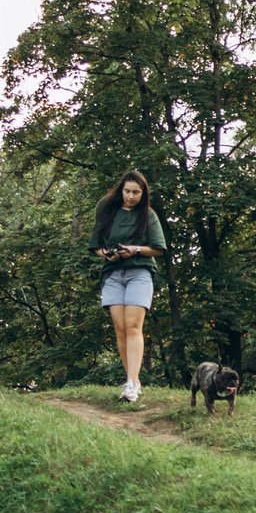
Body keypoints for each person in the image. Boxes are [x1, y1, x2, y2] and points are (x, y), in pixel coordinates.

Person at [90, 169, 167, 401]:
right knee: (120, 328)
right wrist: (107, 254)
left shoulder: (148, 215)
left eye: (136, 192)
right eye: (127, 191)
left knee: (133, 326)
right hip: (112, 274)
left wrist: (134, 249)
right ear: (120, 191)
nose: (131, 196)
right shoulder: (109, 213)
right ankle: (131, 379)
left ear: (143, 194)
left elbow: (159, 248)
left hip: (139, 273)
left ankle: (132, 383)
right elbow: (95, 245)